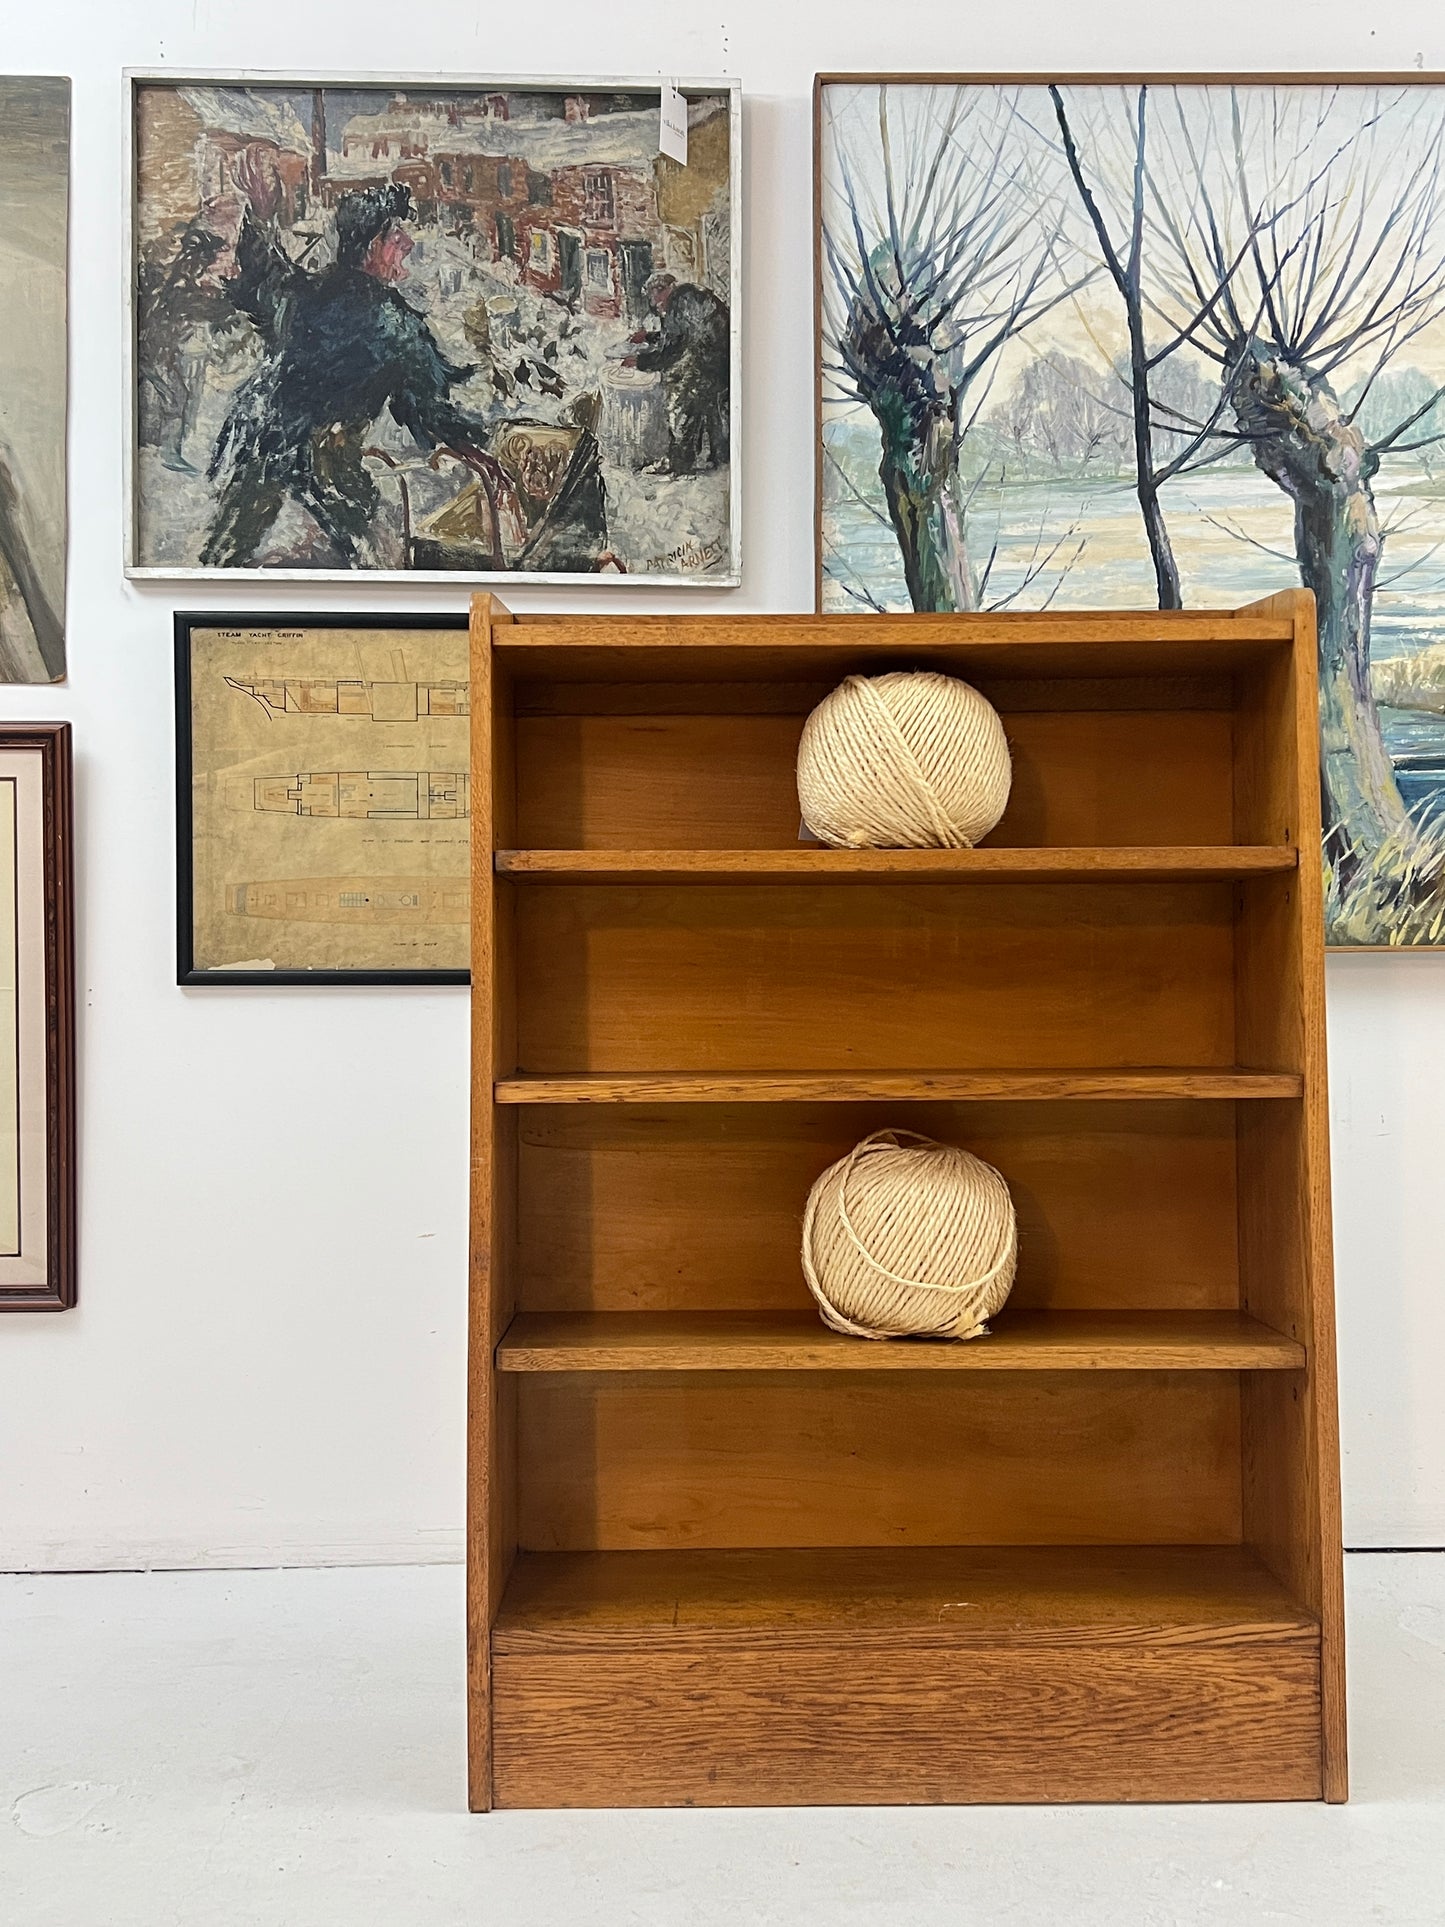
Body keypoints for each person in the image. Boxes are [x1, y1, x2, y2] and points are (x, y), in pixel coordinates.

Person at [201, 157, 504, 568]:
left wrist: (260, 212)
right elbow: (429, 410)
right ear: (369, 248)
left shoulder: (308, 291)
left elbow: (263, 279)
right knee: (372, 556)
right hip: (311, 456)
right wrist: (480, 444)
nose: (408, 243)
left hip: (265, 440)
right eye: (395, 234)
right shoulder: (395, 326)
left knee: (224, 557)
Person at [627, 272, 730, 476]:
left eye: (654, 300)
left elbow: (673, 348)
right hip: (723, 360)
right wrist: (648, 336)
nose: (655, 305)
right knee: (710, 407)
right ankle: (720, 457)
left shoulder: (677, 303)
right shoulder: (689, 295)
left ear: (663, 291)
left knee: (680, 403)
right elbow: (681, 335)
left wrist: (640, 361)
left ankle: (679, 463)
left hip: (708, 362)